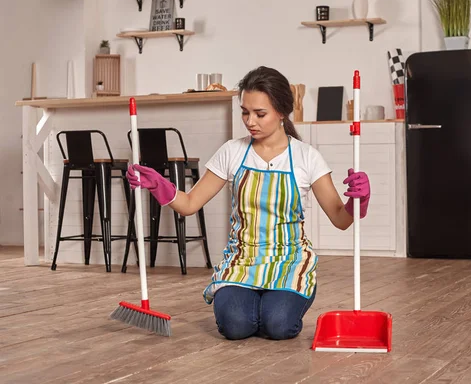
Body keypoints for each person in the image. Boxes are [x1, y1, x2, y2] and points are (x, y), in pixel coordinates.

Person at [127, 66, 371, 341]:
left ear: (281, 112)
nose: (250, 121)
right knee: (236, 327)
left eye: (260, 113)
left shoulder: (306, 157)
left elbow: (340, 219)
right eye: (245, 112)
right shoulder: (232, 151)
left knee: (278, 325)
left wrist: (358, 202)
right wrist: (159, 185)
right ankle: (252, 300)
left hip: (288, 261)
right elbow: (190, 203)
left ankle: (279, 301)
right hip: (242, 260)